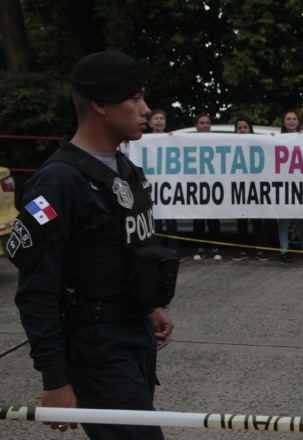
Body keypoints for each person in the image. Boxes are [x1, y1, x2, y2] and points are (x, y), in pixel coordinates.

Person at [6, 51, 175, 439]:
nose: (146, 109)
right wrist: (55, 380)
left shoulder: (126, 170)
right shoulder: (57, 183)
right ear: (99, 104)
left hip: (135, 336)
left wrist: (151, 306)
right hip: (96, 347)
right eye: (134, 98)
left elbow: (129, 248)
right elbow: (36, 290)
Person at [277, 110, 303, 263]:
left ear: (298, 122)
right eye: (288, 119)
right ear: (284, 122)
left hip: (301, 182)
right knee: (284, 219)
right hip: (283, 184)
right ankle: (284, 250)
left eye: (294, 119)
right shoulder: (277, 139)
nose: (291, 121)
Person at [232, 117, 270, 262]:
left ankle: (261, 249)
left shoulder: (258, 143)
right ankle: (243, 250)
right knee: (241, 220)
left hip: (255, 186)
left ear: (250, 129)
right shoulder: (230, 144)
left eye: (245, 127)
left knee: (256, 219)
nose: (242, 130)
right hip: (238, 187)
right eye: (239, 128)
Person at [191, 113, 222, 260]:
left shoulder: (217, 140)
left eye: (207, 123)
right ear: (196, 125)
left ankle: (215, 247)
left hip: (214, 183)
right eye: (202, 123)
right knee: (198, 218)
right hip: (195, 184)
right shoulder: (188, 140)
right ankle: (199, 248)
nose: (205, 125)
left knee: (213, 218)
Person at [148, 109, 178, 250]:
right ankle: (157, 248)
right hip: (153, 186)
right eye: (156, 118)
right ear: (150, 123)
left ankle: (172, 248)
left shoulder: (171, 138)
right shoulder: (144, 140)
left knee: (171, 220)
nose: (159, 120)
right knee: (156, 220)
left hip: (169, 186)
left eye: (161, 118)